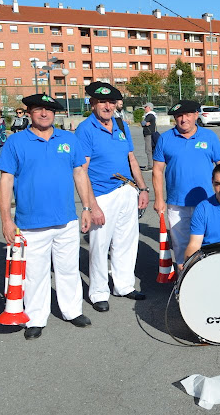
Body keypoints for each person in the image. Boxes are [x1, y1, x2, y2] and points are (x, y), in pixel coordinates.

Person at [0, 93, 93, 340]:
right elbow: (6, 181)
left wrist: (87, 207)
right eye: (38, 109)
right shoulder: (16, 142)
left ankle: (72, 311)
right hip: (31, 224)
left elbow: (80, 174)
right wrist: (6, 219)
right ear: (28, 112)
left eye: (48, 110)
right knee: (35, 274)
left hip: (66, 220)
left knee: (68, 269)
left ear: (55, 114)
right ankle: (36, 318)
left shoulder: (69, 140)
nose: (43, 113)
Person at [75, 82, 149, 313]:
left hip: (126, 190)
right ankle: (98, 292)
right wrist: (91, 206)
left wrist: (143, 189)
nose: (107, 106)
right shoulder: (85, 129)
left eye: (111, 102)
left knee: (127, 242)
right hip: (102, 196)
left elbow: (132, 159)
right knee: (99, 246)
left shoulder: (120, 125)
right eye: (102, 102)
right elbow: (82, 170)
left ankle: (124, 285)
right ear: (93, 104)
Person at [153, 100, 220, 266]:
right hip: (177, 203)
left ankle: (208, 275)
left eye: (187, 115)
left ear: (196, 115)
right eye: (179, 116)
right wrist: (158, 198)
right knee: (180, 244)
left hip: (207, 202)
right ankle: (183, 278)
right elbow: (157, 170)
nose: (183, 119)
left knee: (210, 241)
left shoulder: (209, 137)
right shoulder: (165, 139)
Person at [140, 102, 157, 171]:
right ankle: (152, 164)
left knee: (148, 150)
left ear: (149, 107)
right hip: (151, 133)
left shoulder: (149, 115)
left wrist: (144, 123)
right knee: (151, 149)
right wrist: (144, 123)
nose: (144, 108)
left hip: (148, 134)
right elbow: (144, 123)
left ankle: (150, 165)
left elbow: (142, 123)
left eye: (145, 107)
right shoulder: (153, 115)